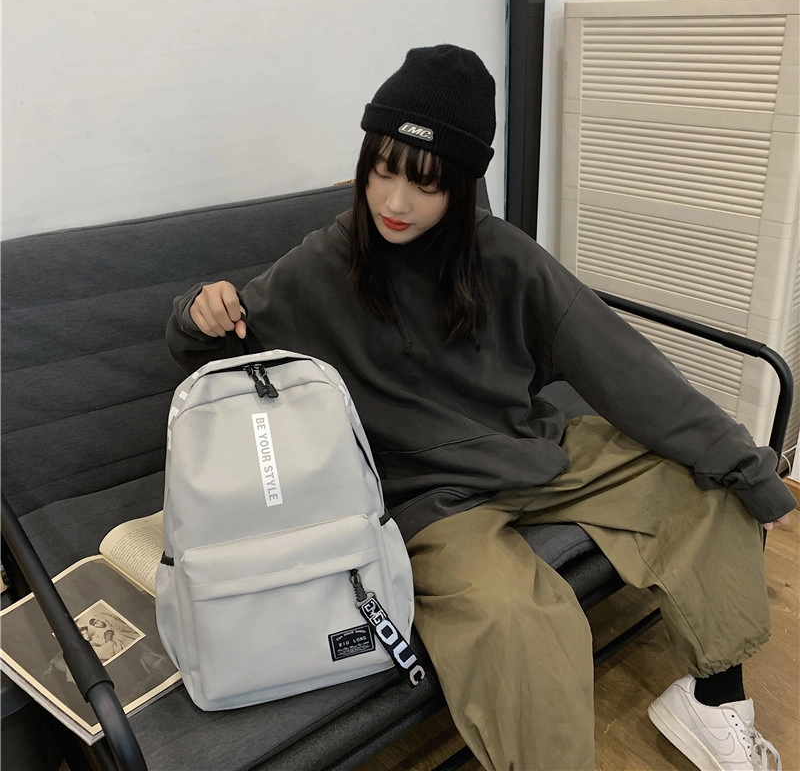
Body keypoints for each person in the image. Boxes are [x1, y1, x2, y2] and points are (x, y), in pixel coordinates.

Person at [166, 45, 791, 771]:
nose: (396, 203)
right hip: (427, 499)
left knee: (703, 489)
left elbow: (625, 368)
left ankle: (711, 704)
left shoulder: (505, 257)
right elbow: (212, 344)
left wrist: (745, 466)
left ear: (462, 187)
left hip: (530, 449)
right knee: (517, 620)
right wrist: (196, 310)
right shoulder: (323, 264)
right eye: (383, 170)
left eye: (426, 184)